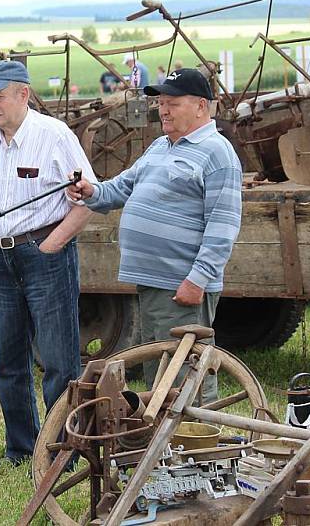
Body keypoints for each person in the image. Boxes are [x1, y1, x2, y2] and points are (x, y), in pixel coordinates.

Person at [0, 60, 97, 469]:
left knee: (60, 363)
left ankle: (62, 452)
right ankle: (21, 450)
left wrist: (52, 245)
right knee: (8, 361)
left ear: (23, 94)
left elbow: (88, 199)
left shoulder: (54, 135)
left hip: (45, 255)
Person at [66, 69, 242, 403]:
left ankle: (198, 445)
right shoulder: (161, 145)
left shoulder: (217, 153)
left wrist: (198, 279)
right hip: (153, 282)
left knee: (187, 373)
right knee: (160, 371)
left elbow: (223, 225)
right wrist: (92, 191)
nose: (162, 110)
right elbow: (124, 186)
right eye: (161, 102)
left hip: (179, 284)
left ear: (201, 107)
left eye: (172, 103)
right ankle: (164, 448)